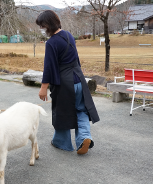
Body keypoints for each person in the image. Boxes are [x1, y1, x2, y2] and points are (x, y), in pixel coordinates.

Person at [36, 10, 100, 154]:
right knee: (81, 110)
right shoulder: (68, 35)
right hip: (79, 79)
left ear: (48, 24)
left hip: (64, 83)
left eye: (42, 26)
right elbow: (76, 59)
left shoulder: (51, 43)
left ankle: (62, 143)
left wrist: (43, 88)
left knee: (62, 112)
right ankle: (84, 137)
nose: (42, 29)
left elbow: (49, 67)